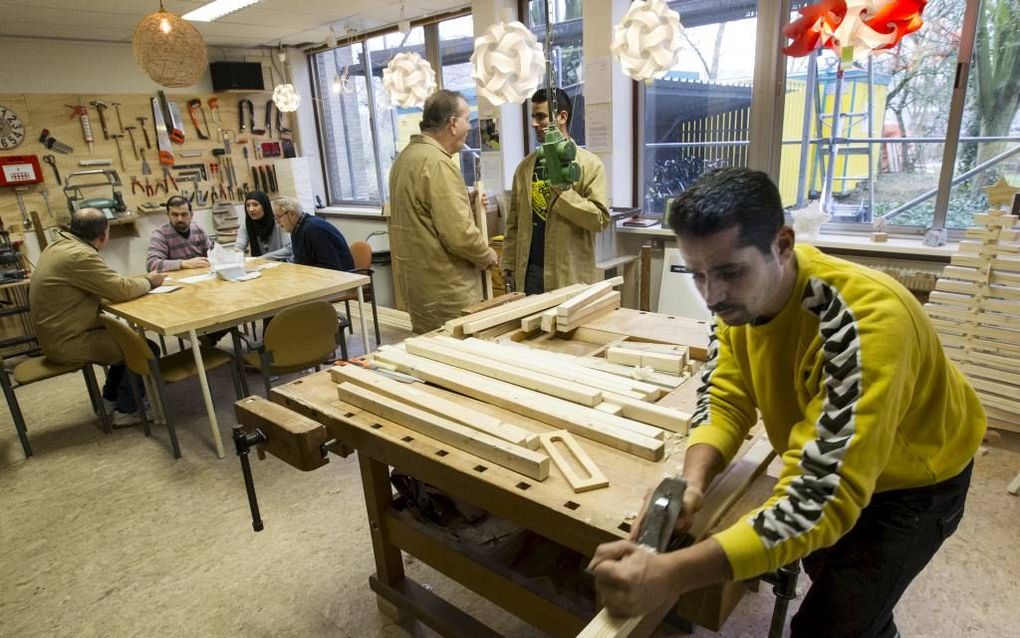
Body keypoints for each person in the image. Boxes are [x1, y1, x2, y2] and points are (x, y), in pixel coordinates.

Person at [588, 168, 985, 638]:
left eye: (730, 272)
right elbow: (726, 395)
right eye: (698, 274)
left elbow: (816, 503)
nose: (712, 296)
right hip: (840, 464)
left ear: (782, 244)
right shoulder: (740, 303)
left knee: (827, 625)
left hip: (915, 484)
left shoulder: (865, 325)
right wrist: (692, 482)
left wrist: (672, 574)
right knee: (850, 596)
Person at [29, 208, 166, 426]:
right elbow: (119, 289)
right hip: (68, 341)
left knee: (124, 342)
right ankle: (127, 410)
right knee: (144, 349)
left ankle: (110, 400)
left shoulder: (60, 244)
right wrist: (150, 282)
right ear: (103, 235)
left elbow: (104, 284)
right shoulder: (79, 255)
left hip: (58, 333)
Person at [388, 89, 498, 333]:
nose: (469, 127)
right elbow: (459, 235)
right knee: (458, 360)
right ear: (452, 123)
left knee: (432, 357)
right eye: (467, 119)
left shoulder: (406, 158)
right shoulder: (438, 163)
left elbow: (425, 210)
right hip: (448, 292)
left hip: (420, 289)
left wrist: (464, 197)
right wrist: (487, 255)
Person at [502, 88, 610, 295]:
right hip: (530, 271)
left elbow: (600, 219)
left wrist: (562, 191)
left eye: (541, 116)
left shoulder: (589, 165)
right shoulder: (525, 167)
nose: (534, 123)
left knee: (566, 328)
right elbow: (514, 221)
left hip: (568, 273)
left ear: (562, 117)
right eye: (533, 116)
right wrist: (508, 262)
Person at [272, 196, 353, 271]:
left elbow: (331, 267)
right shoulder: (296, 229)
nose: (277, 222)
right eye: (275, 218)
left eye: (279, 217)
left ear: (292, 214)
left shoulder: (315, 229)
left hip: (341, 279)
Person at [146, 195, 214, 272]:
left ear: (191, 215)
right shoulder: (160, 235)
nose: (179, 219)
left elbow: (213, 255)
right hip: (176, 281)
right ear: (168, 215)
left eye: (184, 214)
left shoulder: (199, 230)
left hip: (201, 277)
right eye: (175, 215)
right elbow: (151, 264)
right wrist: (183, 263)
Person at [235, 191, 293, 261]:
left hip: (282, 266)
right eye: (248, 205)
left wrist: (263, 258)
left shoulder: (278, 221)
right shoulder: (246, 224)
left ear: (264, 206)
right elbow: (239, 248)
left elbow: (289, 249)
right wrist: (238, 255)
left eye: (255, 205)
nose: (251, 209)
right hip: (258, 267)